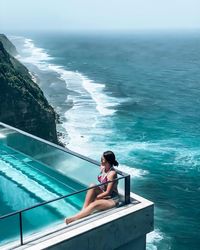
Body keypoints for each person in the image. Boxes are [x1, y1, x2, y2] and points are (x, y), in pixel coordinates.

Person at [65, 150, 119, 224]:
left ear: (107, 161)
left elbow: (108, 192)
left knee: (94, 204)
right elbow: (101, 167)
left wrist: (97, 197)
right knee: (92, 186)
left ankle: (74, 218)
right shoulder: (104, 168)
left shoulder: (112, 174)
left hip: (112, 199)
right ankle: (83, 211)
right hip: (104, 195)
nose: (101, 160)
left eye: (102, 159)